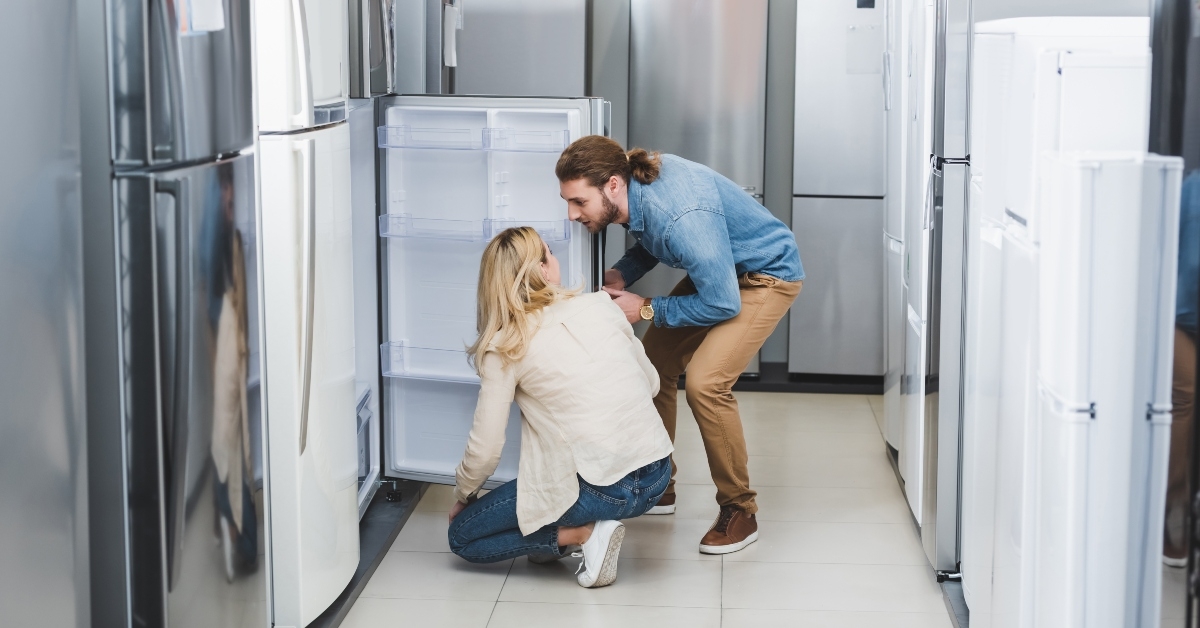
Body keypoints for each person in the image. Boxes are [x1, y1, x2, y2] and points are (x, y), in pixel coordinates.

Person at [555, 136, 804, 555]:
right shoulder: (637, 192)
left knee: (707, 384)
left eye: (579, 202)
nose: (572, 213)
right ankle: (658, 484)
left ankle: (740, 510)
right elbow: (657, 240)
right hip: (720, 269)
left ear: (612, 185)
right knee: (650, 365)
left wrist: (647, 308)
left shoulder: (681, 214)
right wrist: (622, 273)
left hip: (764, 275)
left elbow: (721, 300)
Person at [446, 226, 674, 588]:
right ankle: (557, 532)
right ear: (541, 270)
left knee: (462, 536)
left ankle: (580, 535)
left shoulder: (506, 346)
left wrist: (464, 495)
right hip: (658, 475)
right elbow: (652, 384)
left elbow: (485, 449)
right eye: (550, 254)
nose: (556, 260)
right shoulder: (602, 306)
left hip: (604, 490)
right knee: (552, 474)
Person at [1165, 169, 1199, 567]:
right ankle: (1164, 519)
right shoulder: (1196, 192)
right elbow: (1190, 277)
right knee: (1185, 397)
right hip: (1177, 317)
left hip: (1184, 313)